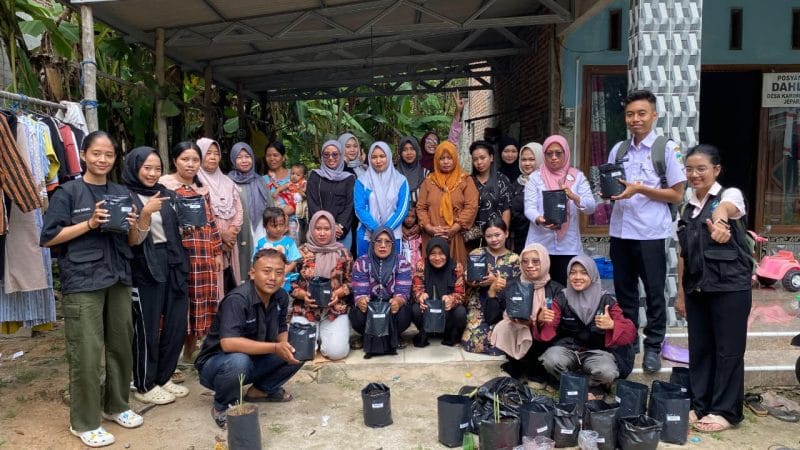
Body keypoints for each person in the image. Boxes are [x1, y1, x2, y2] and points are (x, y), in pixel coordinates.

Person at [41, 131, 143, 447]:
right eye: (96, 153)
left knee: (121, 345)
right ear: (83, 154)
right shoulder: (68, 193)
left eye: (109, 155)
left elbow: (135, 240)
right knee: (86, 351)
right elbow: (48, 237)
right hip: (83, 280)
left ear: (115, 160)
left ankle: (117, 405)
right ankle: (84, 421)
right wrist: (89, 224)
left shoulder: (122, 192)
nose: (102, 159)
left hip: (118, 277)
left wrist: (138, 222)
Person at [607, 89, 686, 373]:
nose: (635, 119)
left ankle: (653, 345)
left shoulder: (666, 148)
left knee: (654, 293)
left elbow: (677, 195)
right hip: (620, 232)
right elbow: (613, 186)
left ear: (654, 115)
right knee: (624, 291)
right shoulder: (618, 150)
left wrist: (641, 188)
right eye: (630, 114)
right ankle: (629, 343)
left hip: (651, 234)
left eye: (641, 113)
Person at [675, 144, 751, 433]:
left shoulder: (729, 196)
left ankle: (725, 411)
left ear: (716, 170)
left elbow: (728, 208)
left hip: (730, 287)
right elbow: (682, 253)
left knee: (728, 350)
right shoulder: (685, 207)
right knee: (701, 349)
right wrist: (681, 293)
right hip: (697, 289)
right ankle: (700, 404)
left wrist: (719, 217)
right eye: (690, 169)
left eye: (701, 168)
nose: (694, 174)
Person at [195, 248, 303, 429]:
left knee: (299, 348)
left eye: (279, 273)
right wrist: (276, 348)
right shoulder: (238, 299)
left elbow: (282, 327)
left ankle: (260, 391)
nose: (273, 278)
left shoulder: (281, 297)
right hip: (217, 366)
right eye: (266, 271)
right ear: (252, 273)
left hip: (253, 360)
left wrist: (284, 346)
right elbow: (228, 344)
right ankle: (223, 406)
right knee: (239, 360)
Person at [123, 146, 190, 406]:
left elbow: (176, 229)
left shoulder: (167, 195)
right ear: (134, 168)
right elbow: (131, 240)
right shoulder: (125, 196)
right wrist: (146, 211)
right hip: (143, 264)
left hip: (173, 260)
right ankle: (144, 383)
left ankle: (163, 377)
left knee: (176, 324)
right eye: (146, 168)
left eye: (157, 169)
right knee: (147, 328)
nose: (152, 173)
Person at [535, 256, 636, 397]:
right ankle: (585, 387)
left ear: (593, 275)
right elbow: (550, 327)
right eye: (573, 272)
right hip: (569, 350)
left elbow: (630, 333)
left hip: (598, 353)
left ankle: (578, 385)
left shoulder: (606, 300)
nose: (577, 277)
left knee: (607, 371)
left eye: (583, 272)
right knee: (550, 359)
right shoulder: (562, 298)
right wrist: (541, 319)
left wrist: (613, 324)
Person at [160, 141, 224, 365]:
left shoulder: (201, 189)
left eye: (195, 160)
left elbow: (211, 221)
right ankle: (171, 358)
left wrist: (217, 252)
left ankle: (191, 351)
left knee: (199, 303)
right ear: (175, 160)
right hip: (179, 256)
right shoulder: (164, 187)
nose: (190, 164)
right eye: (185, 159)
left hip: (203, 254)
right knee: (178, 305)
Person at [524, 135, 596, 286]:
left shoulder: (577, 177)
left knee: (566, 289)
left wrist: (574, 196)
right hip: (541, 243)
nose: (554, 157)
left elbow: (590, 207)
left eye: (558, 153)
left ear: (566, 153)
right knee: (540, 289)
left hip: (568, 246)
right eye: (549, 154)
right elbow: (529, 208)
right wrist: (540, 219)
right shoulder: (536, 178)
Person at [489, 243, 562, 385]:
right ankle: (518, 368)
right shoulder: (513, 285)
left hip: (543, 340)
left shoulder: (556, 289)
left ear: (545, 262)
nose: (529, 265)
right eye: (525, 261)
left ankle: (538, 372)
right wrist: (492, 291)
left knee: (546, 325)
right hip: (518, 332)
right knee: (506, 326)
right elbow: (492, 317)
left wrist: (537, 321)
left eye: (536, 261)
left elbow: (562, 324)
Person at [291, 211, 354, 360]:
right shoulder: (300, 252)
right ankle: (316, 336)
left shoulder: (343, 253)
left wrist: (337, 294)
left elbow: (352, 282)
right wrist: (303, 295)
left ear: (333, 230)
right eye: (318, 228)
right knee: (301, 354)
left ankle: (324, 336)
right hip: (306, 309)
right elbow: (289, 282)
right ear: (311, 229)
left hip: (334, 310)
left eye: (327, 229)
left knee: (337, 353)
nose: (322, 233)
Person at [349, 227, 413, 359]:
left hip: (391, 308)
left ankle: (394, 336)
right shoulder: (361, 262)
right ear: (372, 243)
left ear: (393, 244)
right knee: (357, 314)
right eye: (378, 241)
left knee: (404, 313)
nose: (383, 246)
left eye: (387, 242)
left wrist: (398, 301)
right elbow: (360, 291)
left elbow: (403, 292)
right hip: (371, 309)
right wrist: (361, 300)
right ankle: (367, 336)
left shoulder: (402, 263)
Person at [416, 141, 479, 268]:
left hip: (456, 236)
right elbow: (421, 207)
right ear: (436, 160)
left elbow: (471, 206)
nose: (446, 162)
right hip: (432, 236)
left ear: (455, 158)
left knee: (456, 272)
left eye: (449, 158)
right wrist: (429, 227)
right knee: (432, 273)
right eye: (442, 158)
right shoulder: (429, 182)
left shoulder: (465, 180)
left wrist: (455, 227)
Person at [461, 219, 520, 355]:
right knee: (472, 343)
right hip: (478, 304)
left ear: (506, 234)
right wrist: (476, 281)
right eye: (489, 236)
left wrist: (499, 282)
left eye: (497, 235)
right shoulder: (476, 254)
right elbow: (466, 277)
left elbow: (517, 287)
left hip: (503, 306)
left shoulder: (514, 259)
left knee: (501, 340)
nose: (493, 239)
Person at [197, 138, 244, 295]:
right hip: (208, 242)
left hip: (230, 241)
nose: (213, 157)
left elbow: (238, 209)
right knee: (213, 283)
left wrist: (232, 231)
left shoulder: (228, 182)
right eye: (208, 153)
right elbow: (199, 215)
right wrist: (220, 234)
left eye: (216, 153)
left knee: (230, 280)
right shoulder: (195, 182)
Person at [354, 141, 410, 257]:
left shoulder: (400, 181)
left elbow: (403, 209)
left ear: (388, 157)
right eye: (374, 157)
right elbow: (359, 209)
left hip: (393, 234)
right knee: (365, 271)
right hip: (367, 235)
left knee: (392, 271)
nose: (378, 161)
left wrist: (386, 230)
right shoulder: (362, 181)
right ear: (369, 159)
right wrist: (376, 229)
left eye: (382, 156)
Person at [410, 237, 468, 347]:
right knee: (415, 309)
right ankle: (425, 331)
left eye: (441, 253)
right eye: (433, 254)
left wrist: (451, 299)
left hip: (446, 312)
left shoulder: (456, 267)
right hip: (428, 311)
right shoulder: (422, 265)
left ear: (447, 253)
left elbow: (461, 294)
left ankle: (449, 334)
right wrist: (420, 296)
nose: (437, 258)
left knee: (460, 312)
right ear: (428, 254)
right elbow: (416, 289)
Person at [228, 142, 273, 281]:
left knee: (260, 259)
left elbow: (270, 206)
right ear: (233, 160)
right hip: (240, 231)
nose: (244, 160)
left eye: (247, 156)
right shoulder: (228, 181)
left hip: (260, 228)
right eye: (239, 157)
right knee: (242, 263)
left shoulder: (260, 180)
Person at [307, 139, 356, 250]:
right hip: (319, 231)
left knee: (341, 265)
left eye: (335, 154)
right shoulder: (315, 176)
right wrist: (326, 227)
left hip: (341, 231)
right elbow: (313, 203)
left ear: (341, 155)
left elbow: (350, 205)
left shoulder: (349, 178)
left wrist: (339, 226)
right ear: (322, 157)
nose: (330, 158)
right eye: (326, 154)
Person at [466, 140, 512, 251]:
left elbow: (506, 209)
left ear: (491, 157)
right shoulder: (468, 181)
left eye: (483, 158)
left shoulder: (502, 180)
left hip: (495, 236)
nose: (479, 162)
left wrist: (503, 232)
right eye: (475, 159)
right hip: (473, 238)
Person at [254, 207, 302, 292]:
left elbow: (294, 260)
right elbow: (255, 261)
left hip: (284, 282)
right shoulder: (261, 243)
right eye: (274, 225)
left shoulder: (289, 242)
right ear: (265, 226)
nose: (278, 228)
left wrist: (283, 272)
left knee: (283, 301)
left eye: (281, 224)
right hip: (265, 282)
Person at [419, 91, 465, 171]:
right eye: (429, 141)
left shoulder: (443, 161)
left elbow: (453, 139)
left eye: (435, 141)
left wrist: (458, 111)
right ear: (423, 143)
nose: (432, 144)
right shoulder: (417, 164)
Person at [509, 142, 542, 253]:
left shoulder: (547, 183)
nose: (527, 163)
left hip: (543, 238)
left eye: (532, 159)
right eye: (523, 160)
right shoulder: (516, 184)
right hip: (521, 240)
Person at [264, 141, 296, 219]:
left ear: (283, 157)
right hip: (272, 224)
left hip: (294, 225)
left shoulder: (294, 175)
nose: (271, 159)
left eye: (275, 155)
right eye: (268, 155)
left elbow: (301, 198)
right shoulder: (262, 180)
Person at [395, 136, 428, 203]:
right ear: (400, 152)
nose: (409, 153)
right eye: (405, 150)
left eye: (412, 149)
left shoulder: (426, 174)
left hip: (420, 212)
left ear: (417, 150)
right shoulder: (393, 173)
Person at [400, 201, 423, 270]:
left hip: (417, 262)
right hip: (403, 263)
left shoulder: (418, 232)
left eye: (413, 217)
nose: (409, 220)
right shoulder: (399, 232)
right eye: (406, 216)